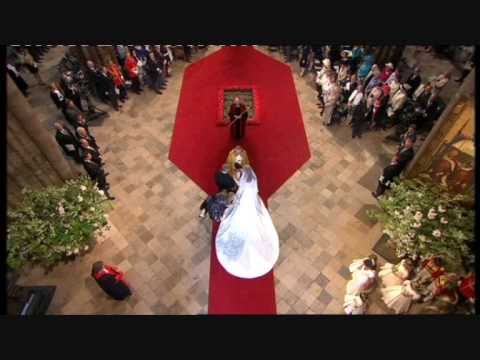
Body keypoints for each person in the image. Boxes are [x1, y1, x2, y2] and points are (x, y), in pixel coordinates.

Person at [215, 163, 280, 279]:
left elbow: (240, 195)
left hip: (244, 205)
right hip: (249, 203)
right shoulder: (251, 183)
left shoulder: (245, 187)